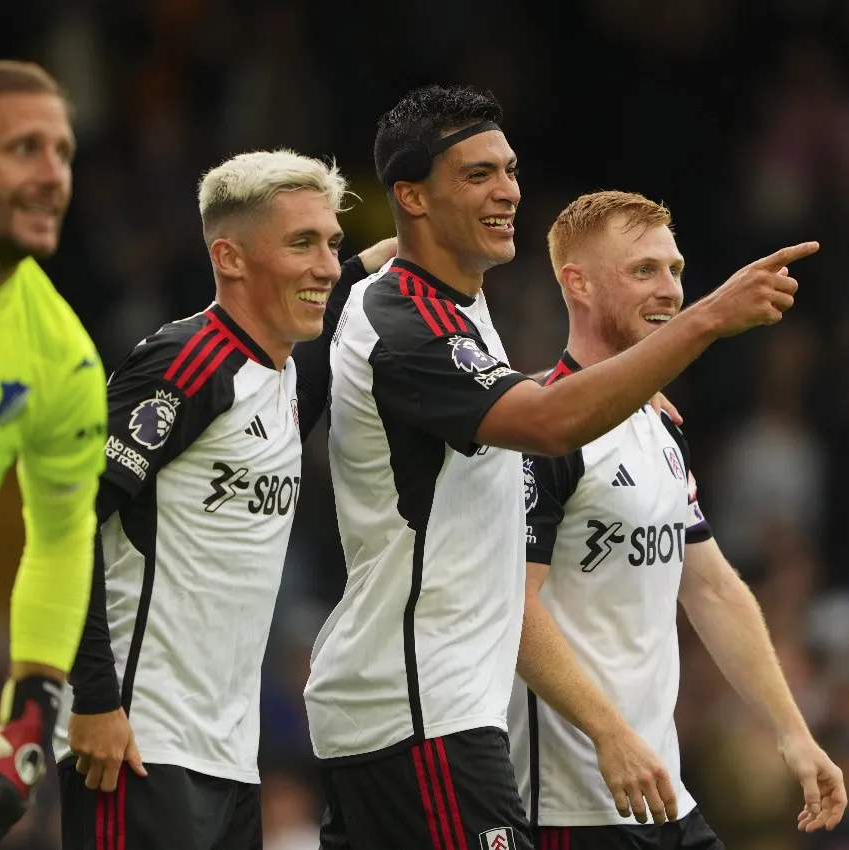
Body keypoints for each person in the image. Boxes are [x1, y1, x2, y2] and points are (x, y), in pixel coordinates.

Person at [303, 82, 818, 850]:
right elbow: (546, 426)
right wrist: (711, 318)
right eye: (478, 174)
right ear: (411, 196)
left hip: (483, 725)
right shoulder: (414, 326)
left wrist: (792, 731)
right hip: (431, 714)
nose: (508, 190)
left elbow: (711, 586)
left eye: (510, 170)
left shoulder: (455, 307)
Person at [52, 147, 396, 850]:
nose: (327, 266)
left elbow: (343, 291)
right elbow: (68, 521)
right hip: (138, 743)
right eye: (301, 243)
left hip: (232, 759)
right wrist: (95, 699)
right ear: (230, 258)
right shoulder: (187, 363)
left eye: (332, 243)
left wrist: (416, 242)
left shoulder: (282, 379)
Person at [508, 190, 846, 850]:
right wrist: (610, 734)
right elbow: (512, 608)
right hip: (567, 808)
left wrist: (792, 732)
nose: (669, 289)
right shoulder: (541, 429)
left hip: (661, 794)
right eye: (643, 270)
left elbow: (713, 588)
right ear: (577, 284)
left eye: (675, 270)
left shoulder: (659, 425)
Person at [0, 60, 107, 840]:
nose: (52, 176)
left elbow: (63, 533)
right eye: (23, 149)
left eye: (63, 152)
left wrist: (32, 708)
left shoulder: (63, 355)